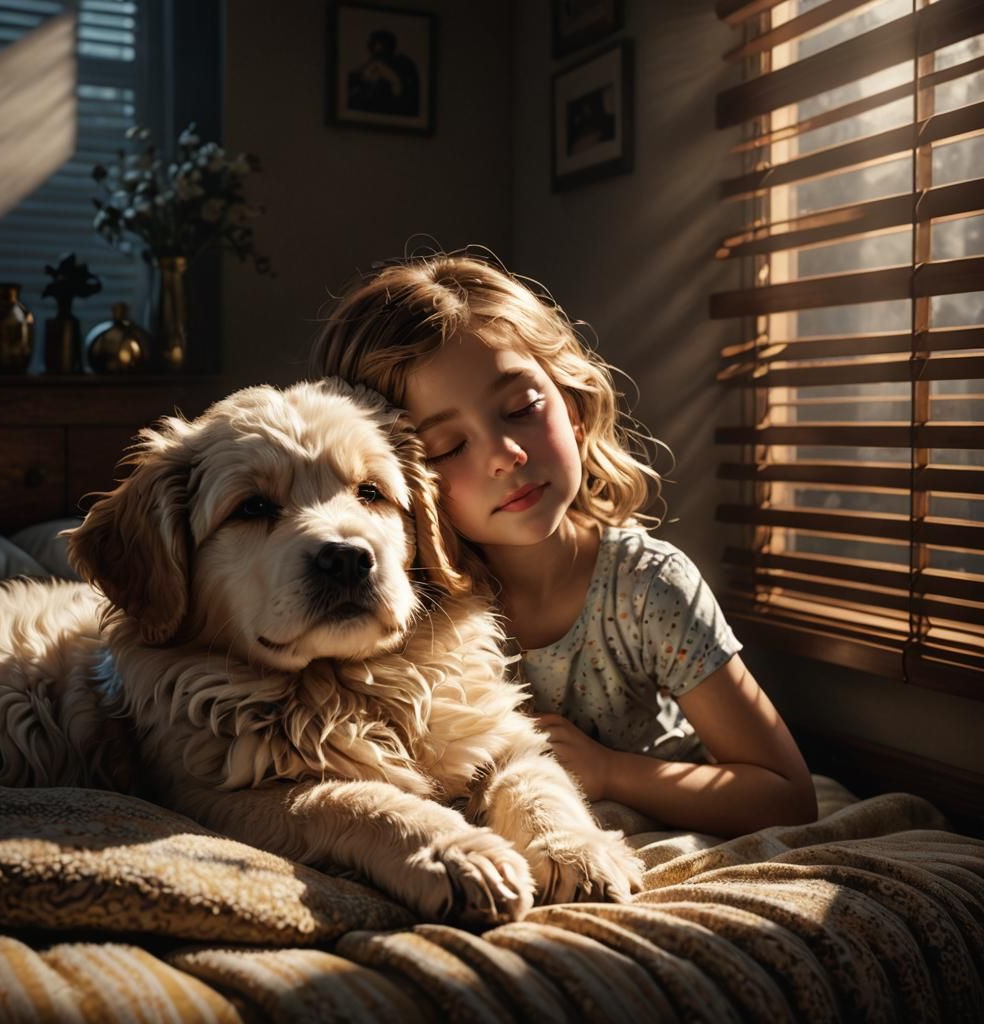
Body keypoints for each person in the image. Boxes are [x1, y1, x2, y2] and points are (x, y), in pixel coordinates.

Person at [312, 251, 817, 838]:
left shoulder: (648, 587)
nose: (506, 454)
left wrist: (611, 773)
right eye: (449, 446)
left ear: (573, 409)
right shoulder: (409, 610)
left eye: (523, 409)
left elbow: (786, 795)